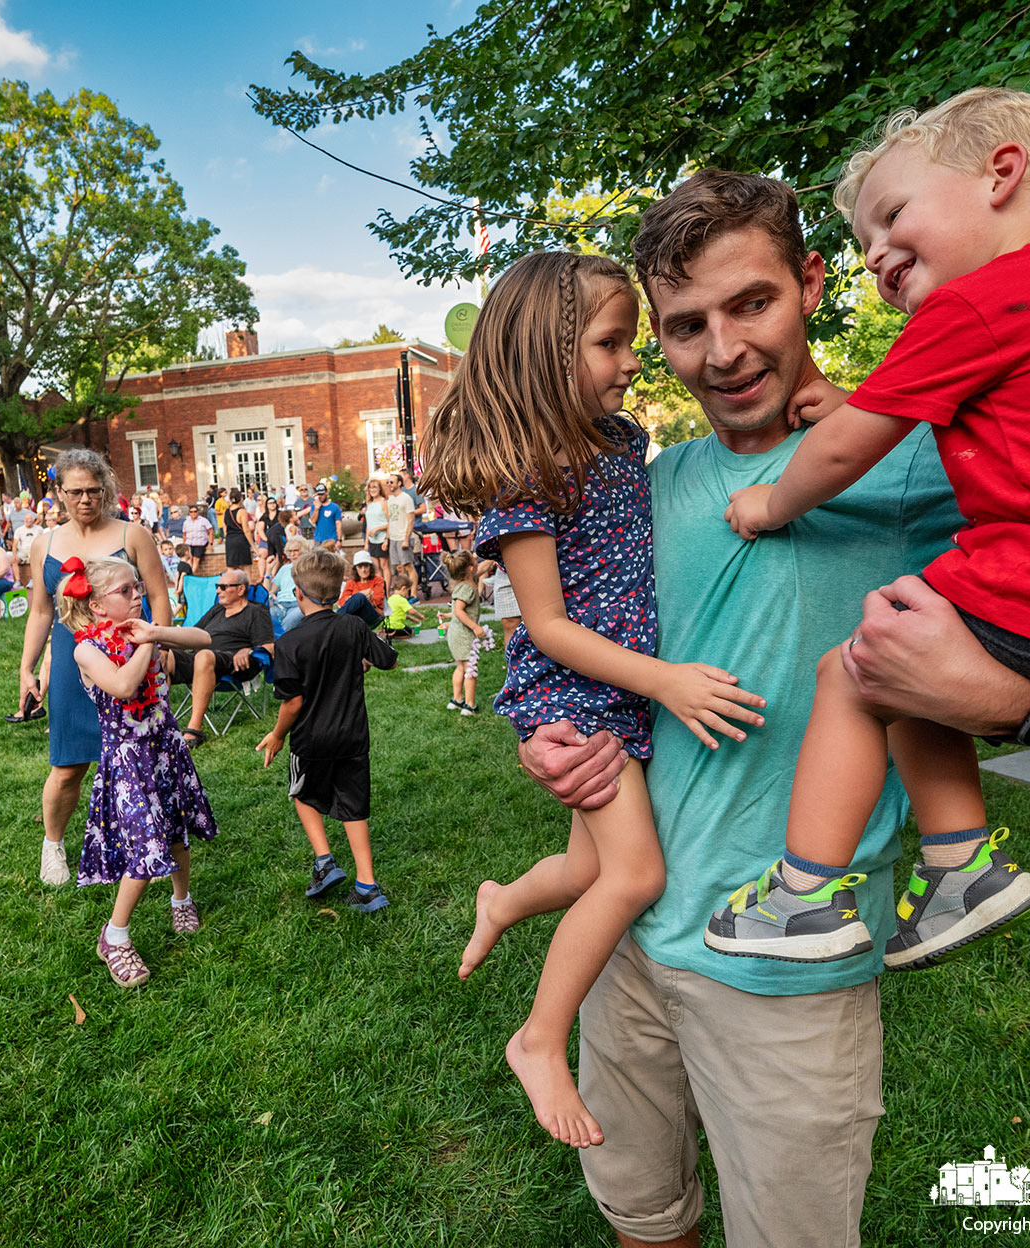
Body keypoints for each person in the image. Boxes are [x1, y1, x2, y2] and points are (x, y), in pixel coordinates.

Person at [507, 168, 1030, 1248]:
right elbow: (576, 654)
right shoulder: (640, 493)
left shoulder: (933, 459)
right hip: (624, 932)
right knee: (645, 1216)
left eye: (752, 304)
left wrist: (995, 702)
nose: (723, 352)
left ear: (809, 283)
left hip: (788, 973)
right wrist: (556, 745)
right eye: (685, 325)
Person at [711, 89, 1030, 970]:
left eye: (892, 216)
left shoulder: (985, 298)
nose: (876, 253)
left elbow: (840, 452)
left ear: (1001, 173)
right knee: (917, 652)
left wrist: (769, 503)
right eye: (863, 242)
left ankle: (804, 897)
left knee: (859, 665)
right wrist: (864, 402)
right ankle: (961, 869)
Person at [418, 248, 761, 1151]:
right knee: (638, 875)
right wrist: (664, 683)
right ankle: (537, 1038)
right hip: (576, 693)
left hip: (614, 689)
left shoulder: (614, 444)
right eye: (612, 344)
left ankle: (501, 901)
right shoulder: (529, 472)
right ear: (547, 351)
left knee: (584, 872)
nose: (631, 361)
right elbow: (548, 624)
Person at [54, 556, 218, 988]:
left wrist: (157, 632)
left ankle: (181, 898)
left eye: (137, 588)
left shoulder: (148, 631)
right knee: (146, 852)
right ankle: (115, 936)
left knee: (177, 831)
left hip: (166, 748)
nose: (136, 596)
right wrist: (147, 644)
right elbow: (125, 685)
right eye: (124, 591)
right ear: (96, 606)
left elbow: (204, 639)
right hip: (129, 760)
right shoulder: (86, 649)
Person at [22, 450, 174, 888]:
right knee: (69, 765)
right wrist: (27, 667)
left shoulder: (133, 534)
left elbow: (159, 597)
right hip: (75, 662)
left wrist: (157, 641)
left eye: (93, 490)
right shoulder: (44, 544)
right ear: (59, 493)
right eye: (75, 492)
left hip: (129, 655)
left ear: (105, 488)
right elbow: (40, 611)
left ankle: (144, 841)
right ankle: (53, 846)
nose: (86, 499)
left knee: (139, 757)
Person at [256, 548, 399, 912]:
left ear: (298, 593)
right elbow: (387, 660)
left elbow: (293, 702)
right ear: (338, 594)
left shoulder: (289, 643)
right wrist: (364, 653)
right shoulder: (353, 626)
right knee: (355, 806)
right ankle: (367, 885)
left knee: (302, 793)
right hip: (353, 737)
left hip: (311, 739)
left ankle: (325, 862)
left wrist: (277, 735)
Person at [162, 568, 275, 746]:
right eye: (217, 586)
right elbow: (194, 634)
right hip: (199, 659)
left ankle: (194, 730)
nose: (217, 591)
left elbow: (269, 646)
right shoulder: (217, 610)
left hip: (233, 663)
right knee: (163, 654)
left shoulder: (256, 612)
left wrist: (248, 650)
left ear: (240, 589)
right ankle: (162, 722)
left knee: (205, 656)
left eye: (223, 587)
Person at [437, 549, 491, 714]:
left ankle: (457, 700)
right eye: (473, 559)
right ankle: (469, 705)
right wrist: (475, 627)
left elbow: (456, 610)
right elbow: (460, 611)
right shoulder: (467, 588)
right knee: (470, 669)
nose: (476, 560)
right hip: (463, 635)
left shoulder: (464, 584)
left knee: (460, 667)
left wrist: (447, 615)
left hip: (456, 633)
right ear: (469, 568)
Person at [383, 473, 419, 597]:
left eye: (391, 482)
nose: (389, 484)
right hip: (393, 537)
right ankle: (404, 594)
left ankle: (414, 595)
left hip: (403, 537)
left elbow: (411, 520)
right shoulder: (390, 499)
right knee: (399, 568)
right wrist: (387, 539)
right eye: (388, 482)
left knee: (408, 566)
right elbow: (391, 521)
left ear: (399, 483)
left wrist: (406, 539)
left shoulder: (406, 498)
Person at [381, 570, 423, 640]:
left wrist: (411, 618)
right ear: (404, 588)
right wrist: (420, 616)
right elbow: (412, 611)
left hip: (387, 626)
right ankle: (393, 636)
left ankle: (387, 633)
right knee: (410, 633)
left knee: (408, 629)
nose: (407, 593)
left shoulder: (391, 598)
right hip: (396, 627)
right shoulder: (402, 600)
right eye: (408, 590)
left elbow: (396, 613)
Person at [309, 482, 343, 550]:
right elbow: (313, 521)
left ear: (327, 493)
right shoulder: (314, 506)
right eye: (319, 494)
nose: (320, 496)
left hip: (331, 540)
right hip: (319, 539)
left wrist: (339, 540)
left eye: (322, 494)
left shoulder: (334, 507)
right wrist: (316, 509)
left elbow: (338, 524)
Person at [181, 506, 213, 571]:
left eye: (195, 511)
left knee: (196, 559)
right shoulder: (186, 522)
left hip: (200, 543)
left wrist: (210, 543)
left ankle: (192, 575)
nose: (193, 513)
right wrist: (184, 544)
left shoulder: (203, 520)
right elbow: (184, 535)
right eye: (191, 512)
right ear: (189, 513)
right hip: (189, 543)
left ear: (198, 512)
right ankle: (188, 574)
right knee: (189, 559)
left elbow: (211, 531)